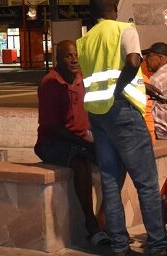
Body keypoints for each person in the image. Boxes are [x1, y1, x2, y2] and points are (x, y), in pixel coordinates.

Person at [75, 0, 167, 256]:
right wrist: (121, 88)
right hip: (123, 112)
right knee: (146, 183)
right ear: (114, 7)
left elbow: (98, 75)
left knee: (110, 182)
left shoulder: (85, 40)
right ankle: (158, 245)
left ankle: (119, 245)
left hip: (98, 115)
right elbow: (133, 61)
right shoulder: (124, 29)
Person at [31, 40, 107, 247]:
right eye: (68, 56)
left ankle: (104, 217)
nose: (74, 60)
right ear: (58, 59)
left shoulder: (83, 80)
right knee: (80, 163)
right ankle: (90, 224)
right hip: (53, 142)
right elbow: (52, 126)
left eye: (76, 55)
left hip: (81, 140)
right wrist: (85, 142)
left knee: (117, 161)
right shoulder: (51, 83)